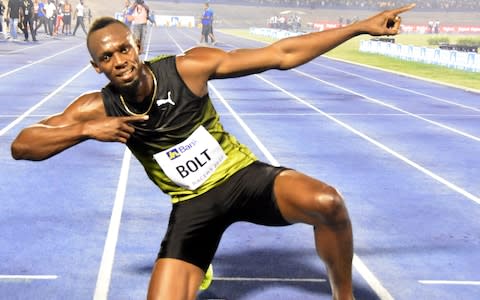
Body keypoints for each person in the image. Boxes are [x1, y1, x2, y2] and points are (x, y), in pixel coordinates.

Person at [11, 4, 415, 300]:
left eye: (123, 49)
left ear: (136, 45)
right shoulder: (95, 106)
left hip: (241, 178)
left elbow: (281, 55)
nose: (119, 60)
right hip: (193, 205)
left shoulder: (187, 69)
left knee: (328, 203)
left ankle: (344, 297)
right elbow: (22, 145)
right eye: (106, 57)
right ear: (96, 67)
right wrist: (85, 129)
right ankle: (199, 263)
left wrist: (360, 27)